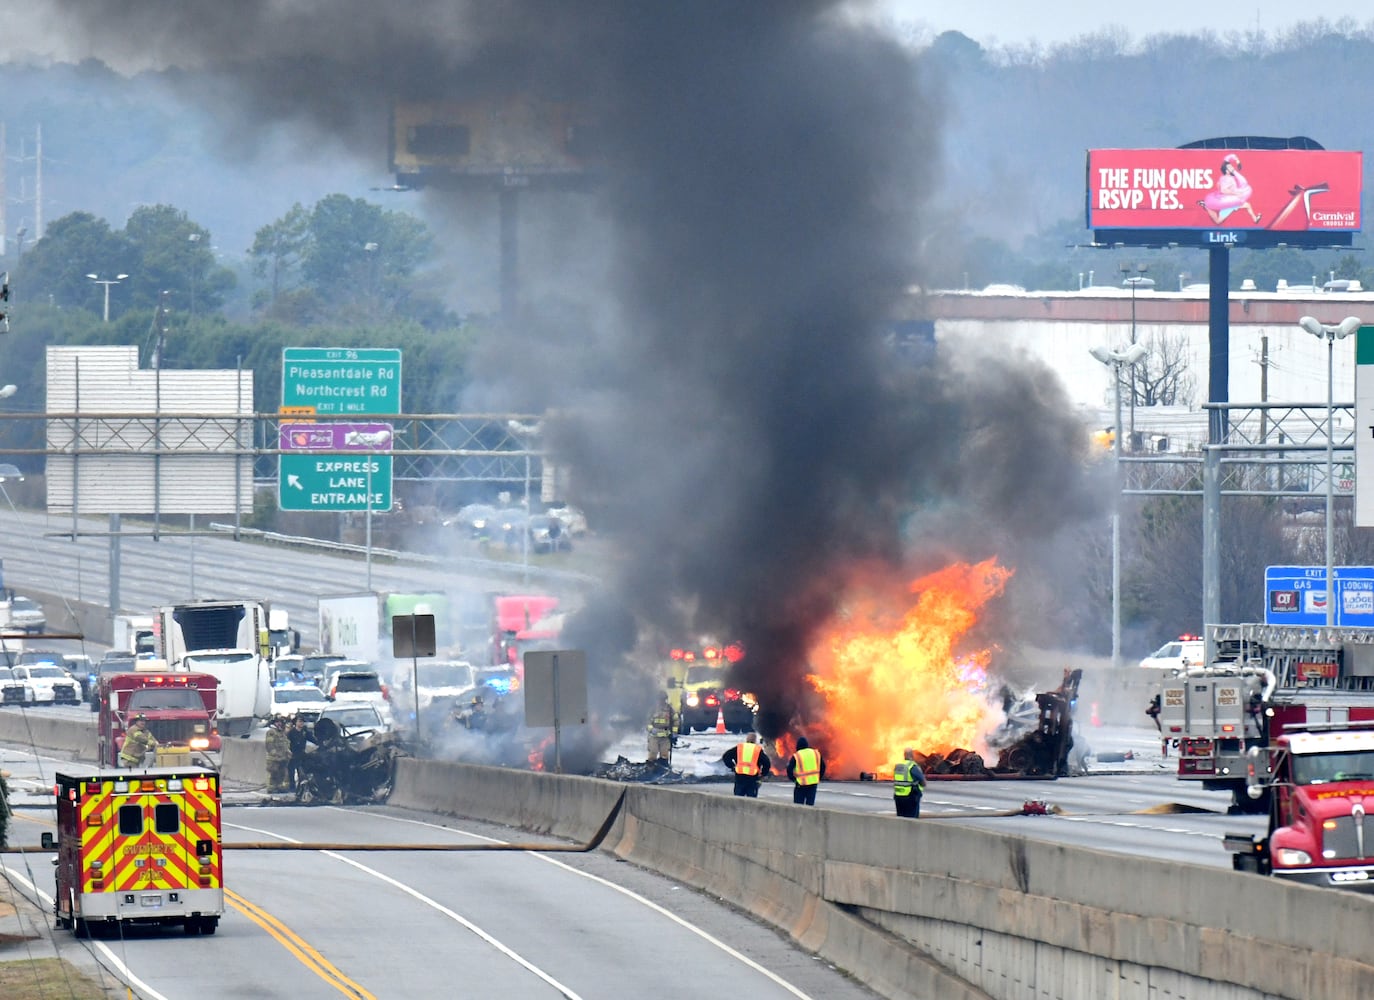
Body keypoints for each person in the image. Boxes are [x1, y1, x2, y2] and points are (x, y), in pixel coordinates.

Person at [1199, 153, 1261, 225]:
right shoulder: (1228, 178)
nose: (1232, 168)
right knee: (1218, 221)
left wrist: (1237, 160)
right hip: (1230, 202)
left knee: (1248, 205)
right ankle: (1206, 206)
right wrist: (1235, 193)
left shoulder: (1226, 177)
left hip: (1233, 200)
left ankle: (1255, 219)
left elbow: (1220, 186)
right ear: (1227, 171)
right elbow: (1223, 190)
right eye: (1230, 168)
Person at [722, 733, 770, 797]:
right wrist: (763, 774)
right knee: (751, 799)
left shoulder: (739, 747)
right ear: (755, 741)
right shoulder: (757, 750)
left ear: (746, 739)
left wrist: (732, 766)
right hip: (752, 778)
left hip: (740, 776)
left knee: (738, 798)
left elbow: (726, 756)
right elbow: (767, 763)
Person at [786, 735, 825, 805]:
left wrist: (794, 780)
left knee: (798, 807)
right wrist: (818, 778)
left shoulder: (797, 755)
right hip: (813, 784)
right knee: (810, 807)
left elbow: (789, 770)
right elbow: (823, 767)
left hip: (801, 785)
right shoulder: (816, 753)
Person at [892, 747, 925, 818]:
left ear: (904, 755)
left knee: (901, 819)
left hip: (898, 796)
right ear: (912, 755)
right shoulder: (912, 766)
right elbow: (922, 780)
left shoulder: (898, 766)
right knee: (912, 819)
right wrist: (921, 787)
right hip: (910, 797)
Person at [287, 715, 315, 790]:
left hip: (301, 754)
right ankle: (292, 787)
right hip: (292, 754)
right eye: (299, 721)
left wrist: (321, 743)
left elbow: (312, 739)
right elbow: (286, 743)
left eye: (302, 721)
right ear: (295, 723)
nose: (301, 723)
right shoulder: (291, 732)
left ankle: (301, 787)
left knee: (302, 772)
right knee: (291, 772)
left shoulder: (305, 732)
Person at [647, 694, 676, 766]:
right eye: (660, 700)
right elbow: (647, 721)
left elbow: (676, 720)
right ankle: (650, 770)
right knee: (652, 753)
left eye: (663, 699)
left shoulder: (669, 709)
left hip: (665, 737)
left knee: (664, 755)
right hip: (654, 736)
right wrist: (651, 729)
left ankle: (664, 769)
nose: (662, 701)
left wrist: (674, 732)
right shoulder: (653, 709)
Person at [265, 716, 292, 793]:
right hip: (273, 759)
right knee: (273, 773)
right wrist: (275, 754)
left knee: (281, 774)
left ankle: (279, 787)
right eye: (278, 722)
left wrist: (288, 753)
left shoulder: (282, 733)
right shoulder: (271, 732)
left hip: (282, 758)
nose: (280, 724)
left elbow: (285, 744)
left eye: (281, 722)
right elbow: (269, 745)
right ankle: (271, 788)